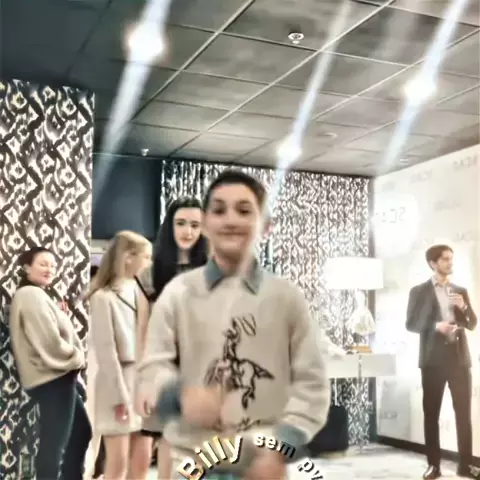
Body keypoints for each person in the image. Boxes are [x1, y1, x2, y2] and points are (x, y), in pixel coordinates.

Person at [136, 170, 330, 479]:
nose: (230, 220)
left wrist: (282, 445)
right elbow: (152, 365)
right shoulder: (177, 293)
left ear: (265, 225)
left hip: (263, 465)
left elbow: (312, 383)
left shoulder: (287, 298)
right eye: (219, 210)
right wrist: (179, 395)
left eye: (244, 210)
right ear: (206, 224)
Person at [136, 196, 208, 479]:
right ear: (170, 226)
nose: (188, 231)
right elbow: (143, 331)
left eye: (195, 225)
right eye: (181, 223)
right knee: (168, 438)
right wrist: (143, 380)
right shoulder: (150, 274)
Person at [9, 246, 92, 480]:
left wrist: (61, 316)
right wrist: (77, 358)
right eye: (43, 264)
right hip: (53, 380)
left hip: (55, 379)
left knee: (79, 434)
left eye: (53, 265)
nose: (50, 269)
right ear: (27, 267)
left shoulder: (37, 295)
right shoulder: (30, 295)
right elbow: (49, 343)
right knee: (54, 444)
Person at [406, 244, 478, 480]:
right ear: (433, 263)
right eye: (445, 259)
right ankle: (433, 465)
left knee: (463, 415)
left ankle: (465, 466)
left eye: (451, 259)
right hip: (432, 362)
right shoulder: (419, 291)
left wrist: (464, 306)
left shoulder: (460, 290)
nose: (450, 263)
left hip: (459, 361)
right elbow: (411, 323)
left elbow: (472, 323)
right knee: (431, 415)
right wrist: (436, 326)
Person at [88, 231, 152, 480]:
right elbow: (107, 353)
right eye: (145, 257)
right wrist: (120, 397)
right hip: (118, 382)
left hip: (142, 383)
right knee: (117, 465)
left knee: (141, 464)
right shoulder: (103, 297)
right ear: (128, 257)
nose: (149, 263)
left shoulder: (142, 292)